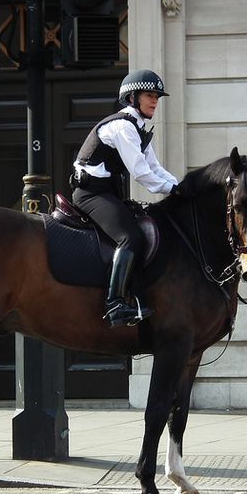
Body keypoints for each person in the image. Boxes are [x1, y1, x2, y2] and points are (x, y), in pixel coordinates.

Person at [71, 69, 178, 328]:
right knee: (130, 236)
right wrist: (172, 191)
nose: (155, 101)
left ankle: (137, 295)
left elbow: (155, 168)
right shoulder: (122, 127)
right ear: (132, 98)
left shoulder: (138, 129)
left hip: (107, 193)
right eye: (149, 95)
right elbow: (141, 172)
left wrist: (180, 186)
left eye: (157, 97)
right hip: (90, 194)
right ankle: (115, 303)